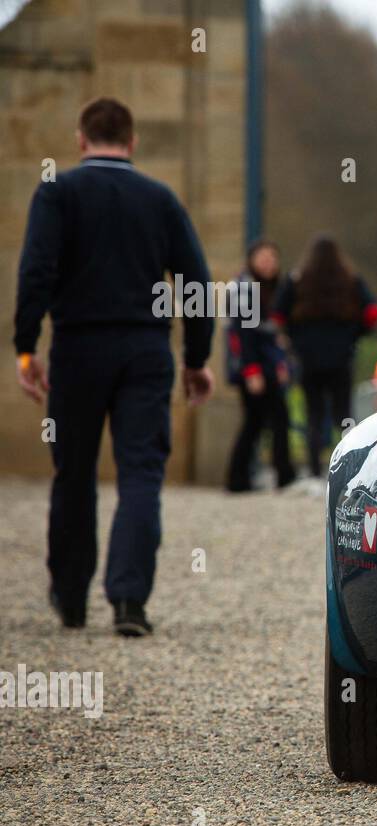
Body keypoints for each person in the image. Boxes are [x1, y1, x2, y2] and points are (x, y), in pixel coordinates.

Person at [12, 97, 214, 636]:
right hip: (146, 352)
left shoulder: (58, 192)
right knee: (141, 474)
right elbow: (195, 282)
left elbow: (36, 271)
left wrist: (26, 349)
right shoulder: (160, 199)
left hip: (77, 349)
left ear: (81, 139)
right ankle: (129, 601)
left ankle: (72, 597)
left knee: (73, 473)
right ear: (132, 141)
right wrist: (197, 359)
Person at [272, 235, 377, 478]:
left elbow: (278, 315)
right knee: (343, 414)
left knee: (314, 413)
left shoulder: (298, 280)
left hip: (308, 358)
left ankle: (313, 468)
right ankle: (350, 466)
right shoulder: (350, 280)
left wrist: (292, 339)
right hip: (341, 356)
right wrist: (356, 334)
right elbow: (373, 312)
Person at [225, 239, 295, 492]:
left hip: (267, 365)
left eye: (272, 258)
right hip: (254, 367)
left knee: (262, 421)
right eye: (263, 258)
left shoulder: (273, 289)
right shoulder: (244, 288)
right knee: (265, 420)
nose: (268, 263)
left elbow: (273, 334)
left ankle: (241, 478)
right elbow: (242, 334)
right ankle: (274, 476)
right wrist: (251, 370)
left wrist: (280, 363)